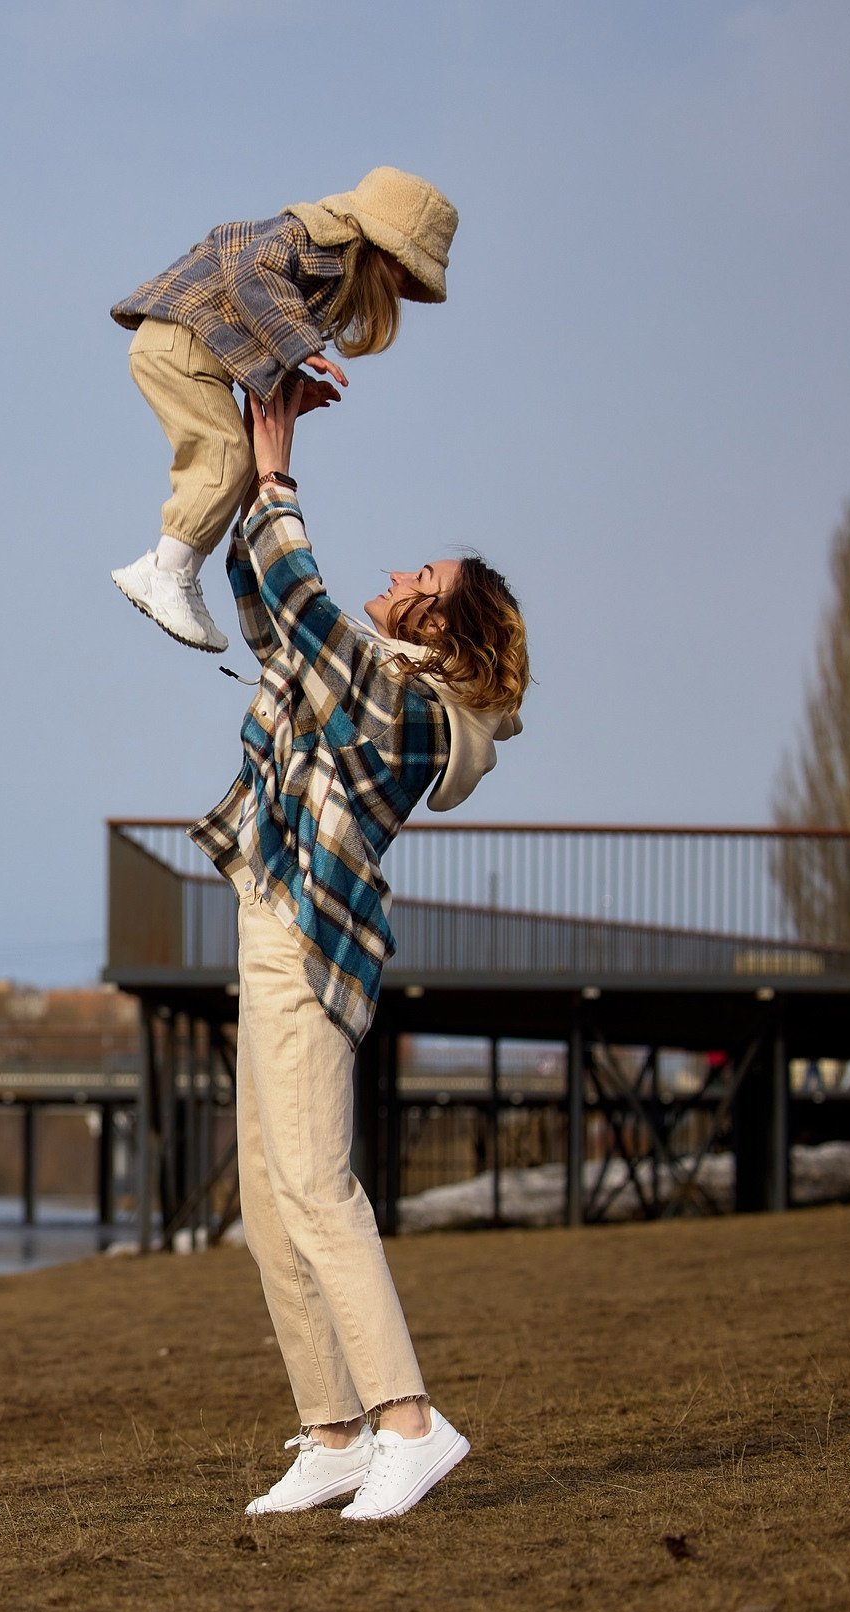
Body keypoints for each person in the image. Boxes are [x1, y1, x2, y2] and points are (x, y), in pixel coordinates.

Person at [195, 378, 529, 1521]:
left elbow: (311, 609)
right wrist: (248, 458)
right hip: (266, 912)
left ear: (440, 627)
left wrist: (281, 476)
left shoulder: (417, 715)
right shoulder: (358, 672)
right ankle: (333, 1432)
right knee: (268, 1194)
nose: (395, 582)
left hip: (311, 939)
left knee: (318, 1185)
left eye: (418, 585)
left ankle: (408, 1421)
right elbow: (267, 598)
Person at [109, 166, 457, 653]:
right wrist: (298, 345)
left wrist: (291, 382)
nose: (404, 287)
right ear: (385, 246)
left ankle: (180, 573)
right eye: (408, 270)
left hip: (198, 347)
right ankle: (163, 571)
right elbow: (252, 275)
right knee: (225, 454)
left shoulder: (332, 272)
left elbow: (258, 326)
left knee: (240, 462)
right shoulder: (313, 239)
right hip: (179, 340)